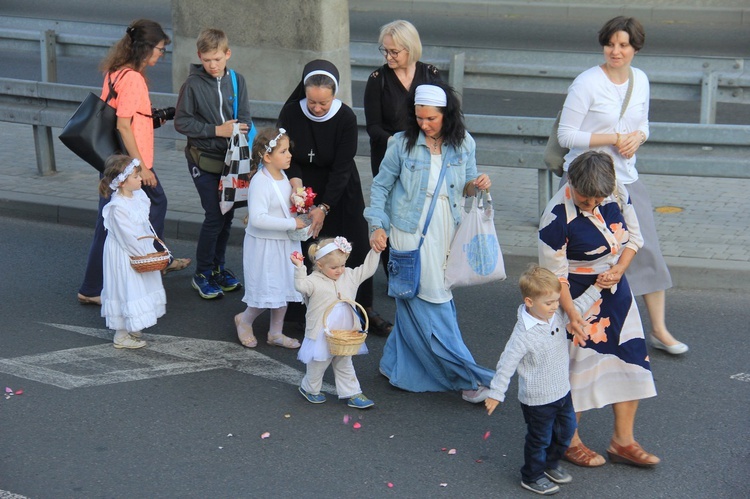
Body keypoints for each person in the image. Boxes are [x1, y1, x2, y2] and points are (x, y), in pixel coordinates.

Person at [557, 16, 687, 355]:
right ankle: (568, 320)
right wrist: (613, 137)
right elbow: (566, 135)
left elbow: (643, 123)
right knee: (577, 255)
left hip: (625, 179)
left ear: (635, 48)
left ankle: (658, 329)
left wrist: (637, 138)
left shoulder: (639, 80)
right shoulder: (586, 83)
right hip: (584, 180)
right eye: (610, 44)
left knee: (647, 251)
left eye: (624, 45)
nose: (616, 51)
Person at [365, 81, 495, 402]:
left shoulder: (464, 143)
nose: (423, 124)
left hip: (447, 228)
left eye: (431, 119)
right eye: (419, 117)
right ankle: (468, 378)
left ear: (446, 115)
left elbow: (466, 185)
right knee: (432, 301)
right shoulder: (401, 144)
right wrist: (377, 226)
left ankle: (394, 364)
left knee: (413, 299)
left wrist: (478, 184)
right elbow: (380, 187)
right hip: (408, 231)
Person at [539, 150, 659, 468]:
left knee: (630, 361)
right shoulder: (555, 216)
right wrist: (573, 314)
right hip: (576, 297)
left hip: (616, 291)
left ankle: (623, 441)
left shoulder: (616, 192)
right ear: (571, 182)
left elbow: (634, 239)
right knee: (577, 372)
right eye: (584, 198)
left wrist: (620, 269)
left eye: (596, 199)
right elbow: (556, 278)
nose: (591, 204)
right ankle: (568, 441)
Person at [77, 19, 190, 306]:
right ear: (145, 47)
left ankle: (93, 286)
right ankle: (151, 263)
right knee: (154, 204)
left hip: (116, 162)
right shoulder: (134, 79)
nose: (161, 54)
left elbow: (121, 117)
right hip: (129, 166)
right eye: (160, 49)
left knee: (109, 221)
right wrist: (141, 168)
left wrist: (151, 119)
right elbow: (124, 126)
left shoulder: (115, 73)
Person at [278, 59, 392, 336]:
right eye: (312, 101)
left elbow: (342, 166)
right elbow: (286, 154)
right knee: (308, 249)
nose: (316, 108)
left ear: (334, 96)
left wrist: (324, 207)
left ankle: (363, 308)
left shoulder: (345, 117)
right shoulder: (292, 112)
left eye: (323, 103)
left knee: (354, 248)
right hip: (303, 187)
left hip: (341, 191)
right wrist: (297, 187)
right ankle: (301, 310)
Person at [485, 265, 602, 496]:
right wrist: (496, 393)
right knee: (540, 438)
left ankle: (550, 464)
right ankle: (532, 476)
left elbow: (576, 306)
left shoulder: (556, 315)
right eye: (548, 303)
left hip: (562, 390)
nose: (555, 306)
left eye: (556, 301)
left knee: (567, 431)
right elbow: (506, 364)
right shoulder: (523, 335)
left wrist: (598, 287)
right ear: (529, 302)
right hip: (537, 400)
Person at [174, 28, 251, 300]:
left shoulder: (237, 80)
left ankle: (218, 268)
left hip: (230, 163)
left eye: (217, 58)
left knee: (227, 214)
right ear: (199, 57)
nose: (213, 65)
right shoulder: (192, 85)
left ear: (227, 54)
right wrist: (217, 130)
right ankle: (202, 273)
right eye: (207, 60)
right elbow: (181, 122)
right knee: (215, 215)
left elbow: (246, 120)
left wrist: (240, 130)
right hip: (202, 160)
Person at [364, 20, 440, 278]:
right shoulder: (377, 79)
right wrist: (397, 144)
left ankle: (424, 265)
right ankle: (394, 270)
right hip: (389, 156)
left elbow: (444, 116)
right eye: (384, 50)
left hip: (425, 156)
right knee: (389, 212)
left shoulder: (431, 75)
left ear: (410, 49)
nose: (388, 56)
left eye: (394, 51)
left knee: (420, 209)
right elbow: (372, 126)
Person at [234, 128, 305, 349]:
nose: (289, 155)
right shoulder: (260, 182)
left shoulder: (282, 175)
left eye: (288, 150)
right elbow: (257, 219)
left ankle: (275, 332)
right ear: (267, 157)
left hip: (284, 242)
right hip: (265, 245)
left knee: (284, 287)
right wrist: (292, 223)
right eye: (283, 151)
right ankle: (244, 320)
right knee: (268, 289)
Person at [291, 237, 380, 409]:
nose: (340, 271)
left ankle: (352, 393)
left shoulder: (350, 276)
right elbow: (301, 286)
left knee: (344, 361)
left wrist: (375, 251)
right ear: (320, 265)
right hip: (321, 332)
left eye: (342, 265)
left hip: (344, 332)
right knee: (319, 363)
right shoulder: (314, 280)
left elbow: (367, 269)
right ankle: (309, 388)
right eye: (334, 267)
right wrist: (299, 267)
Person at [99, 155, 166, 349]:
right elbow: (127, 237)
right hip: (124, 254)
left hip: (139, 249)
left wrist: (149, 249)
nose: (140, 179)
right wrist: (143, 255)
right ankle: (121, 334)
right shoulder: (117, 207)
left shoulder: (139, 196)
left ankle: (132, 324)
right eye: (135, 177)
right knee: (125, 288)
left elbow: (144, 227)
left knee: (139, 287)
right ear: (121, 182)